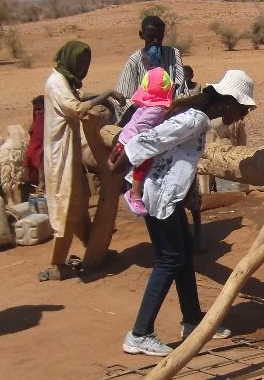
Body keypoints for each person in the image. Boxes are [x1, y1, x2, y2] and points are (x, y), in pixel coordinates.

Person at [112, 71, 255, 356]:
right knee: (170, 258)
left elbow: (174, 153)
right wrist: (124, 159)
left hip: (167, 194)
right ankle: (140, 333)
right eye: (242, 109)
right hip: (159, 194)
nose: (242, 116)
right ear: (228, 102)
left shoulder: (195, 115)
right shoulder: (196, 118)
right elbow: (152, 139)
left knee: (183, 254)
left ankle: (192, 320)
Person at [42, 41, 118, 280]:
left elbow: (79, 96)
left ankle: (92, 245)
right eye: (81, 63)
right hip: (59, 156)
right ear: (71, 60)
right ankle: (57, 264)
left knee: (79, 201)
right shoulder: (55, 83)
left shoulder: (63, 80)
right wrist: (108, 94)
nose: (84, 68)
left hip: (68, 152)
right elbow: (76, 107)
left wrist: (101, 95)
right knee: (65, 208)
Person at [118, 68, 175, 216]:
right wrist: (151, 139)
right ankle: (135, 193)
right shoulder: (157, 108)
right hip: (132, 142)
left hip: (123, 138)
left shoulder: (146, 103)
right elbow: (142, 125)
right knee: (146, 160)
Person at [114, 15, 184, 123]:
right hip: (141, 115)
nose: (156, 41)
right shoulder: (134, 61)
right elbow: (123, 98)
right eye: (151, 37)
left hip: (171, 111)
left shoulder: (173, 53)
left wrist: (169, 107)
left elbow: (181, 88)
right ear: (141, 35)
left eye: (159, 37)